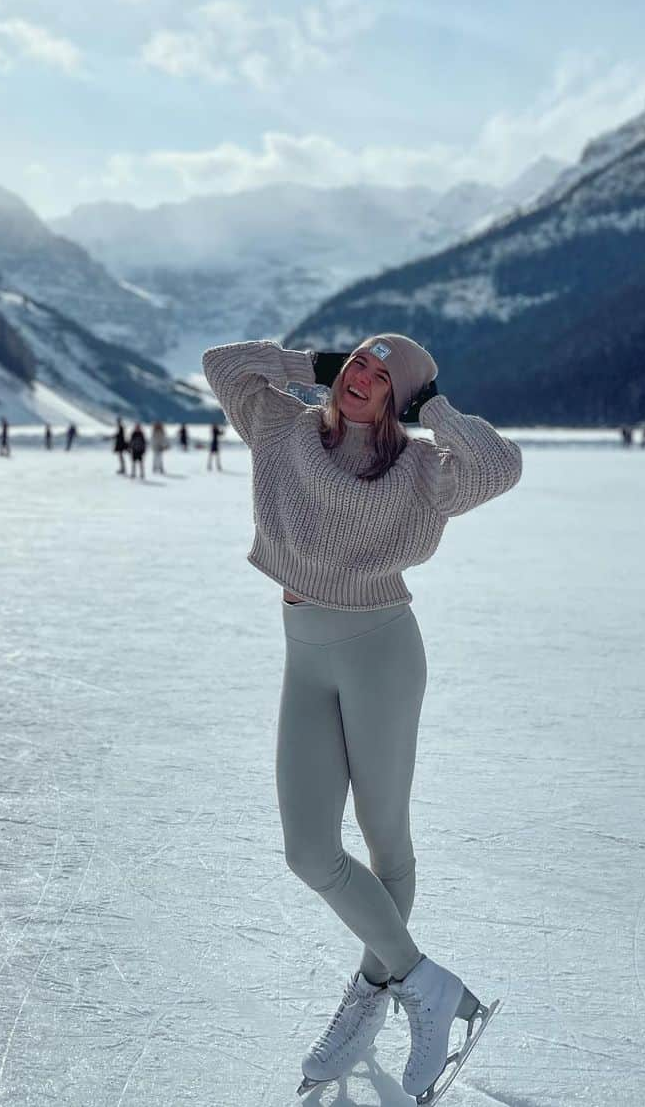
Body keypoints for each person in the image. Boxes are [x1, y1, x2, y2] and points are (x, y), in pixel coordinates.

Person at [201, 334, 522, 1101]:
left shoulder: (419, 470)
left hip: (381, 651)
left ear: (398, 397)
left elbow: (500, 465)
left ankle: (370, 998)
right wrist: (306, 365)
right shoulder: (280, 427)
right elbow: (222, 364)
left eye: (383, 377)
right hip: (304, 652)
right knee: (309, 850)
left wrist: (432, 405)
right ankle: (422, 983)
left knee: (385, 842)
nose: (362, 380)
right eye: (356, 365)